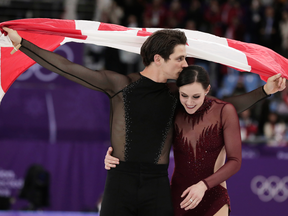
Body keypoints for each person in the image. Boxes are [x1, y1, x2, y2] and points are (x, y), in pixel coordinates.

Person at [3, 26, 286, 216]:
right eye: (181, 58)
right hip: (119, 181)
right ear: (159, 58)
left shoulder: (176, 95)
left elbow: (223, 108)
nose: (185, 65)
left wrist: (264, 91)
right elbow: (67, 68)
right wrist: (23, 44)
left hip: (157, 185)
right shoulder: (119, 84)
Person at [104, 65, 286, 216]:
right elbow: (144, 135)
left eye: (196, 96)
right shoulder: (174, 111)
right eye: (184, 96)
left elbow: (235, 161)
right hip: (179, 196)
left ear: (207, 90)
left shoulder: (224, 111)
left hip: (213, 195)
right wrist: (116, 154)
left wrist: (203, 185)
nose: (189, 102)